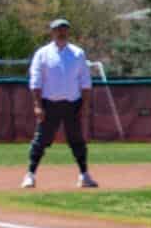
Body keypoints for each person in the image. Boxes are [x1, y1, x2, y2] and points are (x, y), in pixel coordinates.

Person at [23, 17, 98, 190]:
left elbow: (85, 81)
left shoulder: (77, 53)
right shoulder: (42, 54)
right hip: (50, 104)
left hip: (72, 104)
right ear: (52, 32)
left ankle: (84, 175)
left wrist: (85, 105)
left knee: (77, 140)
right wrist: (37, 105)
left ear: (68, 31)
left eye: (64, 29)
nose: (61, 32)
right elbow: (35, 81)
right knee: (41, 140)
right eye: (58, 29)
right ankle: (30, 175)